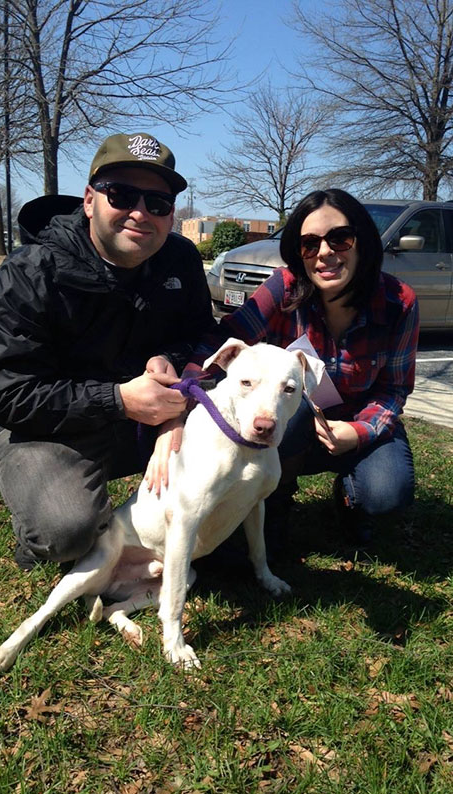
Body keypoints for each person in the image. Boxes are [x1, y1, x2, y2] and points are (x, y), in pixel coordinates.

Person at [0, 131, 215, 569]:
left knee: (239, 439)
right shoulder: (27, 275)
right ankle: (44, 521)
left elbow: (205, 336)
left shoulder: (180, 259)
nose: (140, 213)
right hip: (45, 427)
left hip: (148, 416)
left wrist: (177, 363)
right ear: (89, 201)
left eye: (157, 203)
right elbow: (8, 397)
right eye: (122, 195)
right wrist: (120, 399)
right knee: (66, 531)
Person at [149, 188, 419, 551]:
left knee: (387, 490)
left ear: (364, 242)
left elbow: (395, 389)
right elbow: (223, 339)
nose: (325, 253)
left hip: (353, 424)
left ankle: (350, 500)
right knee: (293, 404)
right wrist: (182, 399)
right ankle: (274, 500)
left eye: (340, 238)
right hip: (289, 423)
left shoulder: (398, 302)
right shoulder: (284, 288)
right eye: (310, 244)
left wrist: (359, 431)